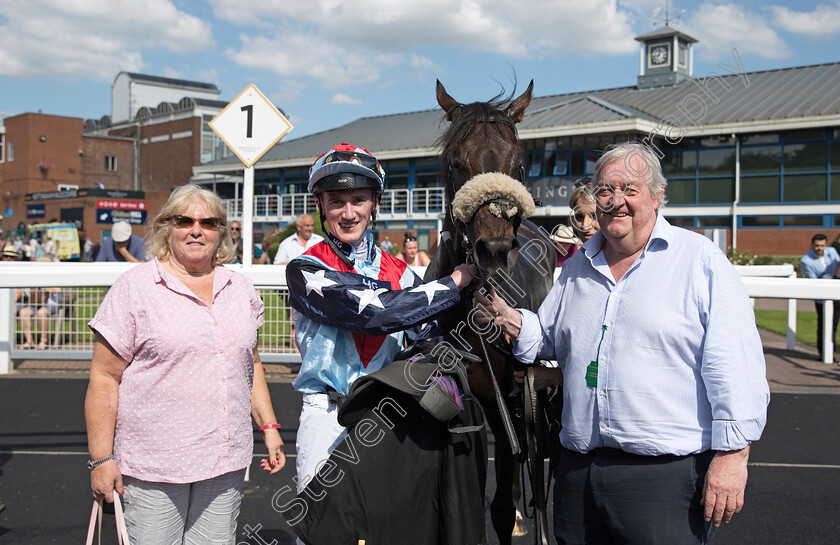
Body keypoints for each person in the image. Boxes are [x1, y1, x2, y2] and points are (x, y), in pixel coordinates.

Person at [474, 142, 769, 545]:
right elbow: (548, 338)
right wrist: (511, 319)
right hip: (579, 476)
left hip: (664, 481)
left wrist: (733, 456)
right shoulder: (577, 267)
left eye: (630, 189)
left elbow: (734, 363)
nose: (616, 202)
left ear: (657, 195)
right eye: (606, 191)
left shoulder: (699, 261)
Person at [84, 185, 285, 544]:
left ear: (221, 231)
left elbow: (249, 364)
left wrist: (268, 425)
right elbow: (103, 378)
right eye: (184, 220)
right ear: (167, 227)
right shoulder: (135, 288)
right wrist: (101, 460)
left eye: (208, 222)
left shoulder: (240, 289)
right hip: (155, 465)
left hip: (224, 462)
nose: (196, 230)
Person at [284, 143, 475, 515]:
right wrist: (452, 284)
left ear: (375, 202)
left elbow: (428, 342)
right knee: (321, 529)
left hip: (384, 416)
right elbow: (375, 315)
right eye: (336, 200)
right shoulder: (304, 268)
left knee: (383, 525)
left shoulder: (403, 274)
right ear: (320, 206)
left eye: (358, 199)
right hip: (325, 415)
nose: (348, 212)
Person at [800, 233, 840, 361]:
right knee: (823, 324)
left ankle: (831, 352)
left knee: (834, 324)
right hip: (821, 297)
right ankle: (823, 353)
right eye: (817, 245)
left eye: (822, 245)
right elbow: (812, 280)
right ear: (812, 245)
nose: (819, 248)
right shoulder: (806, 260)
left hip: (836, 294)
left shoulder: (832, 252)